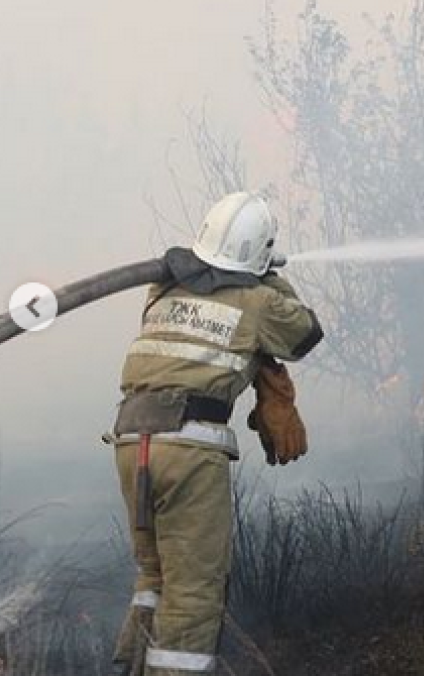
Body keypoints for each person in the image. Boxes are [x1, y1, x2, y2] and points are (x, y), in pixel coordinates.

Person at [108, 192, 323, 675]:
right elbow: (305, 334)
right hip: (188, 449)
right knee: (193, 590)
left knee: (154, 575)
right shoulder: (260, 301)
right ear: (261, 253)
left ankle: (129, 667)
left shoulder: (161, 288)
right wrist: (271, 278)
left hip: (132, 441)